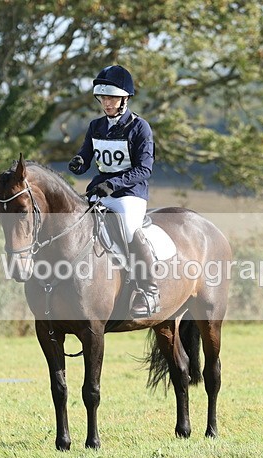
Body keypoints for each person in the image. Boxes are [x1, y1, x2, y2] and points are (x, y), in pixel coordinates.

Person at [68, 65, 160, 318]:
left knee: (130, 229)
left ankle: (149, 291)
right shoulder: (96, 126)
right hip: (100, 191)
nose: (106, 103)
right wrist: (78, 161)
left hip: (130, 194)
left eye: (111, 98)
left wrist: (114, 184)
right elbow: (86, 156)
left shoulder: (139, 128)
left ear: (124, 99)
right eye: (103, 98)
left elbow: (145, 169)